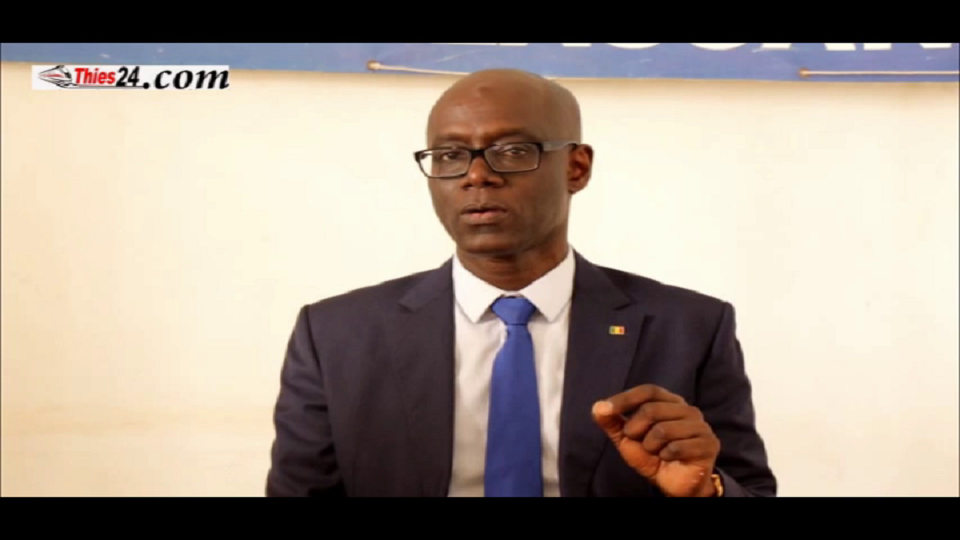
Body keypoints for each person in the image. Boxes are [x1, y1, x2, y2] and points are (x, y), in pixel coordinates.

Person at [265, 69, 776, 497]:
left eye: (511, 151)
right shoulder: (335, 335)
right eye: (449, 155)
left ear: (576, 167)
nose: (476, 176)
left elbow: (748, 489)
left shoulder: (688, 328)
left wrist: (707, 490)